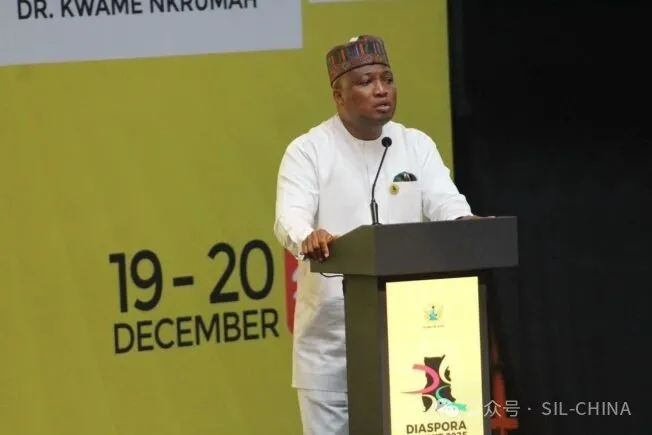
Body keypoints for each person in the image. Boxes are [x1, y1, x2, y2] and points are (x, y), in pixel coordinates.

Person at [273, 35, 482, 435]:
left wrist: (464, 221)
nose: (381, 89)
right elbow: (289, 216)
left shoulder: (414, 145)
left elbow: (446, 201)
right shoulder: (309, 150)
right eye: (366, 81)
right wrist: (308, 237)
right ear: (339, 95)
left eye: (387, 79)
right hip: (333, 340)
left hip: (410, 332)